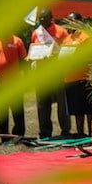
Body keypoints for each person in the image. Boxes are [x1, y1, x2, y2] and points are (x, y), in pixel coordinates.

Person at [30, 8, 70, 139]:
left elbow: (66, 50)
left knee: (62, 103)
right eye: (40, 17)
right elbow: (34, 48)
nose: (42, 19)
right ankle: (45, 132)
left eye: (44, 17)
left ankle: (65, 130)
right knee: (42, 103)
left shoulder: (61, 31)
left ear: (51, 17)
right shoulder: (36, 33)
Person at [0, 32, 26, 143]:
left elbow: (23, 62)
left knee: (18, 111)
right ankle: (4, 138)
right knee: (1, 113)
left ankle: (19, 136)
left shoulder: (17, 41)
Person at [60, 12, 92, 138]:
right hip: (70, 77)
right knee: (76, 109)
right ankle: (80, 133)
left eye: (73, 20)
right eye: (68, 21)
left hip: (83, 77)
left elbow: (91, 56)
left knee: (88, 108)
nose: (70, 24)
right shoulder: (67, 39)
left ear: (80, 21)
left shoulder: (86, 37)